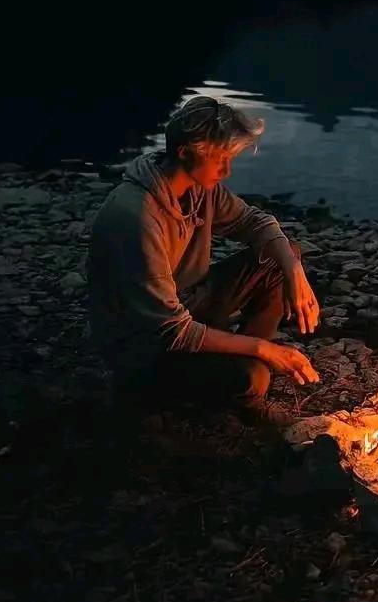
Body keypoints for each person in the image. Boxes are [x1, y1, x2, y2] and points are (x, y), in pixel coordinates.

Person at [87, 95, 320, 427]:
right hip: (145, 343)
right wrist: (259, 349)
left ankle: (237, 360)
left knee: (282, 255)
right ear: (184, 152)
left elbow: (256, 223)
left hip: (190, 302)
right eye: (220, 159)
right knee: (254, 379)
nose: (226, 171)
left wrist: (294, 271)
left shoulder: (199, 188)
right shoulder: (137, 218)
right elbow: (169, 329)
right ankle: (158, 393)